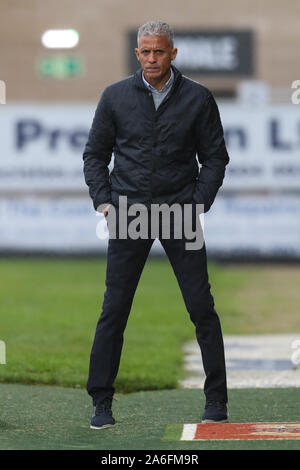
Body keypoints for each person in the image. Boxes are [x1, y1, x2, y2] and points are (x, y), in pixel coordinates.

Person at [83, 21, 230, 429]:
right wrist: (104, 202)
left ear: (173, 53)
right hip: (128, 212)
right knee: (114, 309)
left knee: (202, 308)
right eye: (145, 52)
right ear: (137, 54)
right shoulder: (114, 97)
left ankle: (216, 399)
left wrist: (198, 202)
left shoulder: (198, 98)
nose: (152, 59)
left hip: (180, 211)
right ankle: (101, 403)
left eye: (159, 52)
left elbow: (215, 157)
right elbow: (94, 155)